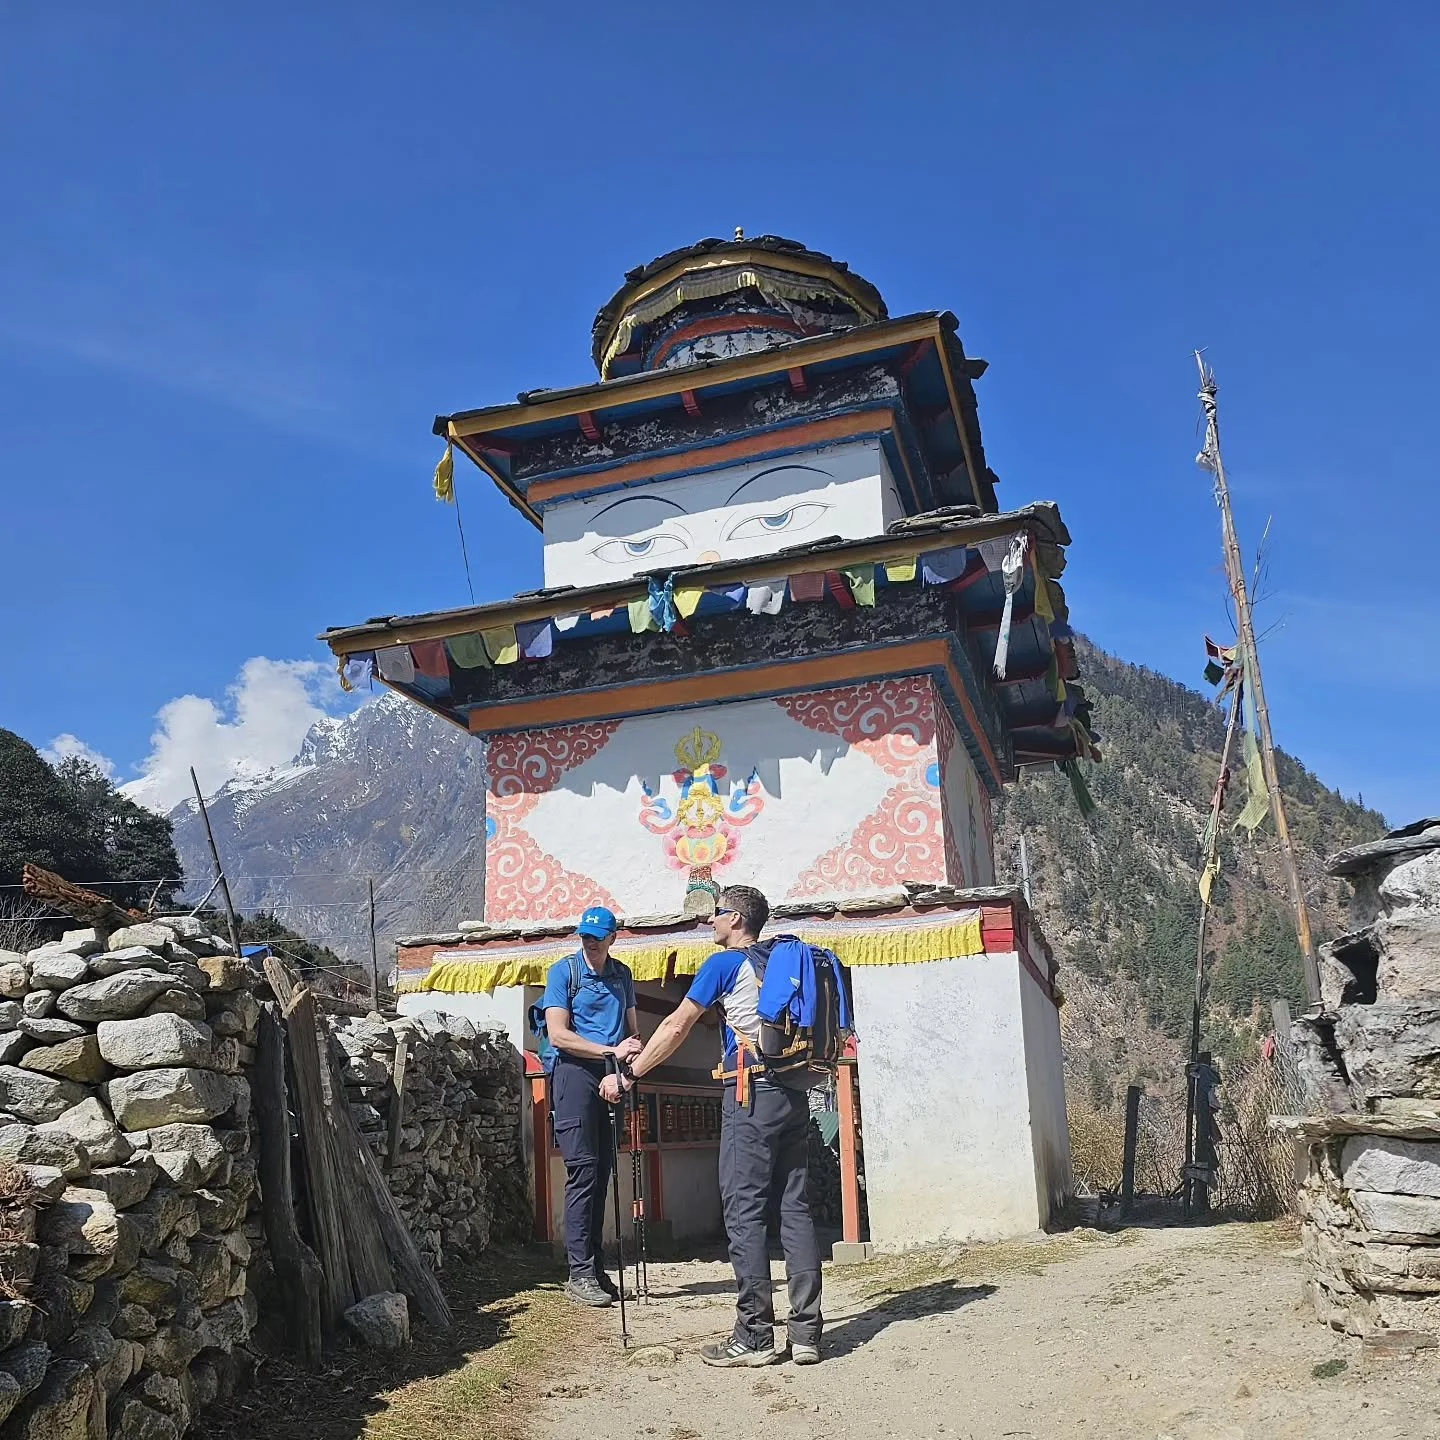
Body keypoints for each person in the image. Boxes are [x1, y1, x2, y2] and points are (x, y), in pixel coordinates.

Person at [600, 884, 821, 1366]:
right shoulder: (786, 959)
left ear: (736, 919)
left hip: (748, 1092)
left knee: (744, 1211)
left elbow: (677, 1025)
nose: (710, 922)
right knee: (795, 1208)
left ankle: (754, 1336)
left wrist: (631, 1075)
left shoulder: (724, 965)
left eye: (716, 913)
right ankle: (806, 1334)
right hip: (793, 1089)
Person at [544, 905, 642, 1307]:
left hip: (611, 1075)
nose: (591, 943)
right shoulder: (563, 973)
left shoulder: (622, 975)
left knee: (602, 1173)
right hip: (574, 1074)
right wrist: (609, 1051)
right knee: (583, 1171)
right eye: (585, 936)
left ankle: (597, 1271)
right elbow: (558, 1035)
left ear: (612, 938)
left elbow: (633, 1030)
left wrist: (629, 1058)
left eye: (598, 937)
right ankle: (579, 1273)